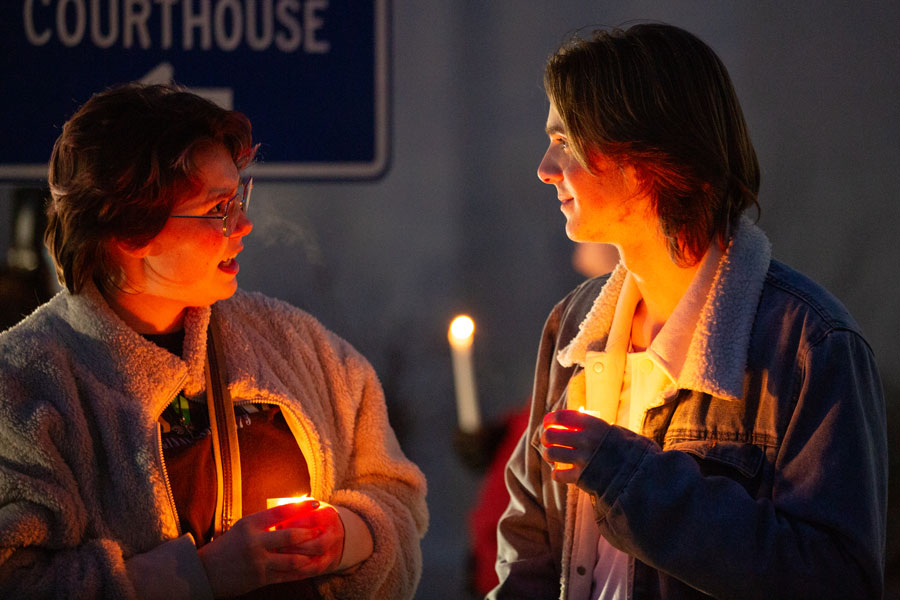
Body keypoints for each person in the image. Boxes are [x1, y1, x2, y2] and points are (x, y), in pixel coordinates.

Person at [491, 23, 887, 600]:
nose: (545, 167)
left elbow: (834, 579)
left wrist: (627, 476)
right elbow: (528, 552)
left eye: (567, 140)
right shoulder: (574, 327)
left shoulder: (808, 344)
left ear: (651, 154)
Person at [0, 83, 428, 599]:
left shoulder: (294, 345)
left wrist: (346, 537)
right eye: (217, 208)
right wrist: (205, 573)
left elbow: (397, 497)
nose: (243, 224)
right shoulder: (25, 387)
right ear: (129, 230)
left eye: (239, 197)